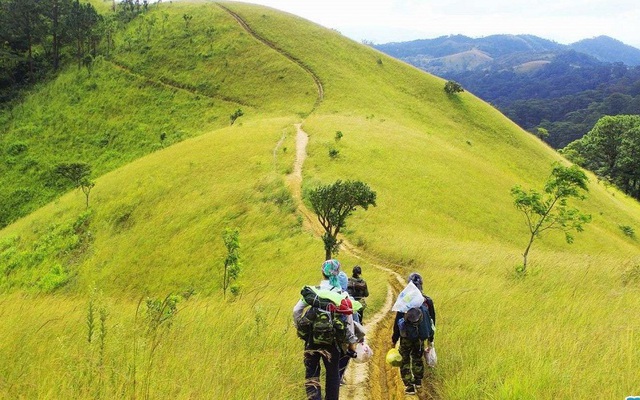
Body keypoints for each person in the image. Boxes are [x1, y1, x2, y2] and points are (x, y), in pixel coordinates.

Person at [293, 260, 358, 400]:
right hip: (333, 342)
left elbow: (296, 310)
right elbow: (348, 320)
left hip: (312, 339)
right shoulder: (342, 294)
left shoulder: (314, 292)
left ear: (322, 272)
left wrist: (300, 328)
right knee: (333, 375)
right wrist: (351, 343)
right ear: (338, 272)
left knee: (312, 373)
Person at [391, 272, 436, 395]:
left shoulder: (404, 301)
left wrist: (394, 339)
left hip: (405, 337)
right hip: (420, 336)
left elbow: (397, 322)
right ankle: (418, 381)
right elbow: (432, 321)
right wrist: (430, 338)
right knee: (417, 358)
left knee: (404, 360)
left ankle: (409, 386)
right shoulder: (427, 301)